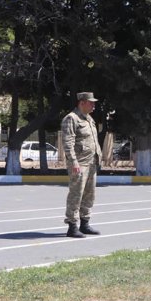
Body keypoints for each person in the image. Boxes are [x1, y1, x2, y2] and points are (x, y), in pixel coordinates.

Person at [61, 92, 103, 238]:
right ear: (82, 103)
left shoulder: (89, 119)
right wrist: (73, 162)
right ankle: (72, 226)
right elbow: (68, 143)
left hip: (91, 163)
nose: (94, 105)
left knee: (89, 194)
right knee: (76, 194)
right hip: (80, 164)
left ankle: (85, 224)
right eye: (91, 102)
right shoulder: (71, 119)